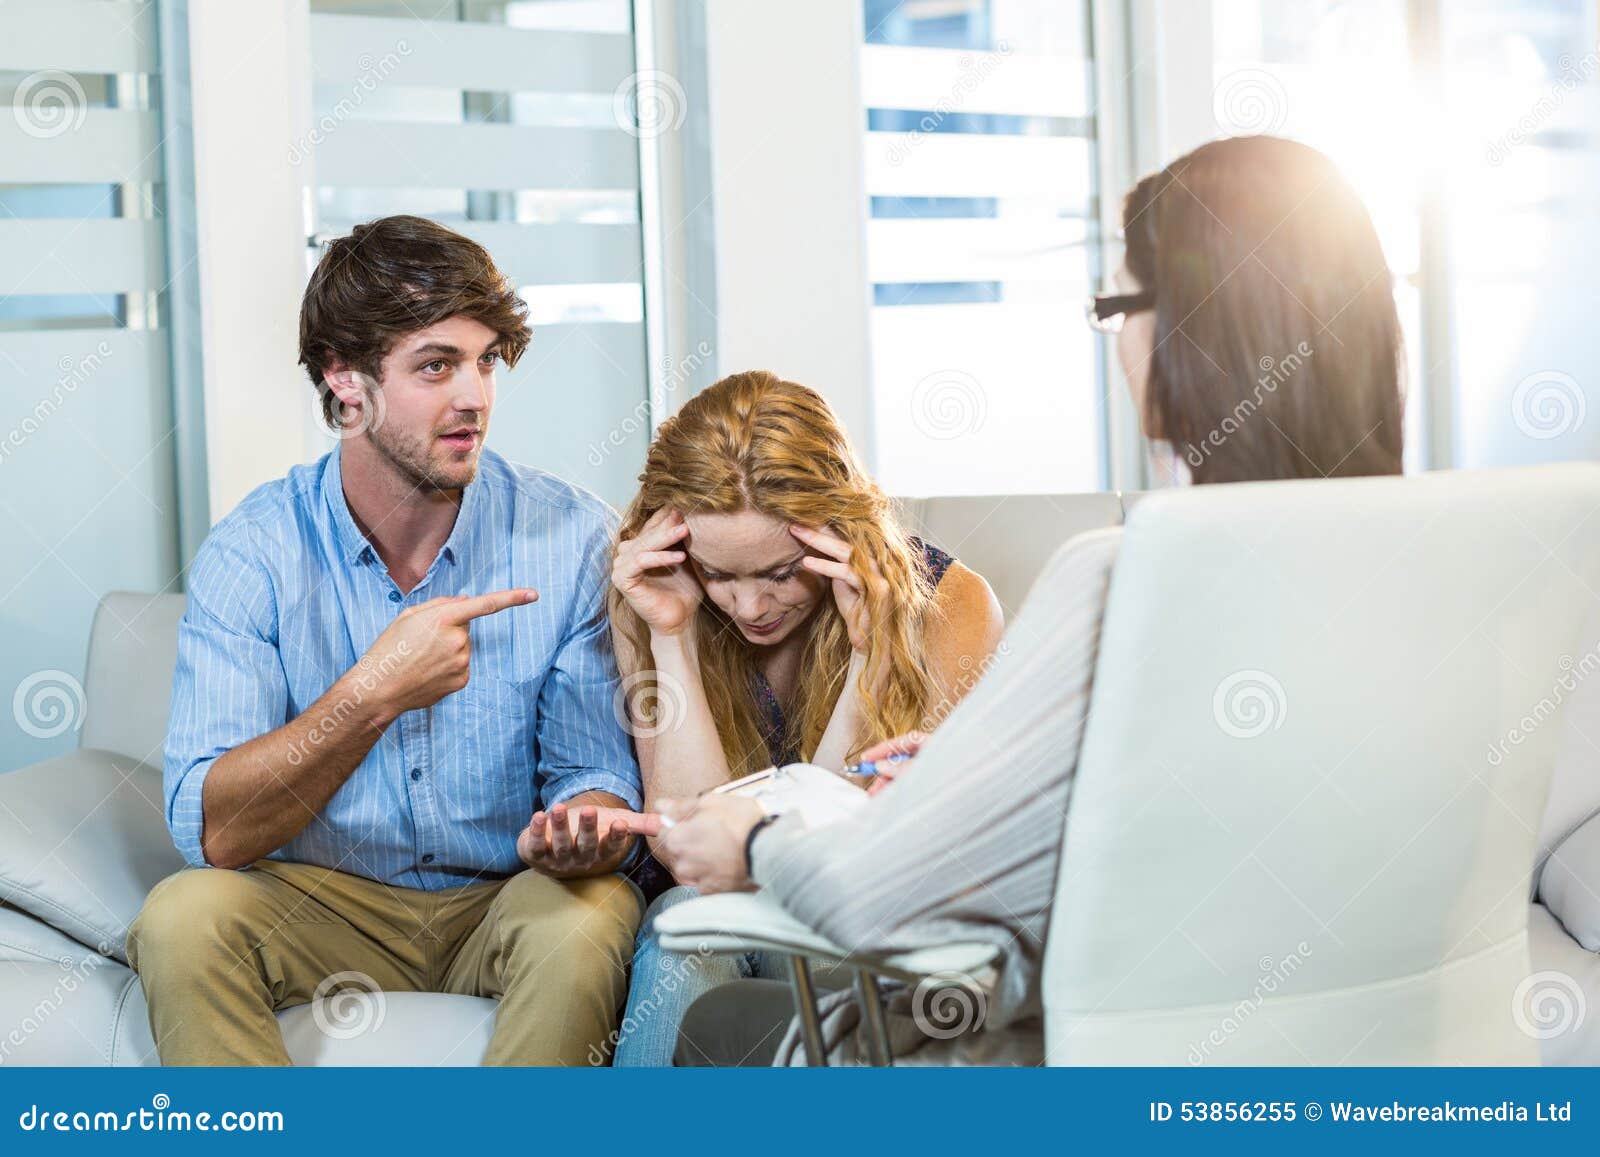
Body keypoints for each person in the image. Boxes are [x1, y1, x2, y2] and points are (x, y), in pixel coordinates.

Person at [659, 135, 1407, 1065]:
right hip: (1365, 1061)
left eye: (1118, 307)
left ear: (1191, 336)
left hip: (1102, 1065)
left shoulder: (1118, 587)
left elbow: (874, 895)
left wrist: (758, 838)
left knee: (715, 1028)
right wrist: (1002, 774)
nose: (1118, 341)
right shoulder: (1442, 575)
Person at [127, 215, 652, 1066]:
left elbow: (594, 770)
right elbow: (216, 832)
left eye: (486, 360)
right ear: (347, 381)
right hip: (323, 904)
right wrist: (372, 694)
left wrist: (584, 824)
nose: (474, 396)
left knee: (592, 915)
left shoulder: (573, 537)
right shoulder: (255, 551)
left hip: (508, 897)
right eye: (436, 365)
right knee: (182, 918)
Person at [606, 370, 1005, 1065]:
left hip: (863, 911)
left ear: (840, 531)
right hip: (715, 901)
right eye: (719, 574)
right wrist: (671, 636)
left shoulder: (952, 604)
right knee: (683, 922)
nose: (751, 607)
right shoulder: (654, 592)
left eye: (781, 571)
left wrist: (870, 656)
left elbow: (846, 851)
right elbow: (689, 852)